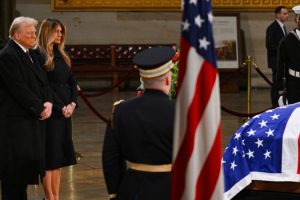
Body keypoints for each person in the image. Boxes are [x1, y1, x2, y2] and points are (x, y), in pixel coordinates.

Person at [102, 46, 175, 200]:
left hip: (133, 189)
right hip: (173, 188)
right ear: (168, 79)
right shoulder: (180, 112)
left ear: (143, 79)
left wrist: (115, 192)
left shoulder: (120, 111)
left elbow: (110, 158)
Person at [0, 16, 53, 200]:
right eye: (29, 33)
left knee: (23, 175)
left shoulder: (32, 53)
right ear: (17, 35)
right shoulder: (8, 55)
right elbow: (18, 89)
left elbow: (44, 82)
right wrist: (40, 108)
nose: (34, 36)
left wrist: (48, 101)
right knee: (14, 178)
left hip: (30, 122)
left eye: (34, 32)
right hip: (16, 126)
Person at [35, 18, 78, 200]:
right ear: (47, 32)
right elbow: (44, 88)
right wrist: (61, 107)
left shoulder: (62, 56)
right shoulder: (39, 56)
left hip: (65, 113)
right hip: (51, 113)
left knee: (59, 158)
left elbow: (72, 82)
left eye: (61, 32)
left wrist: (73, 104)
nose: (60, 35)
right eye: (57, 31)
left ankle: (56, 197)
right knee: (49, 159)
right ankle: (49, 197)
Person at [276, 5, 300, 106]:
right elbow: (281, 66)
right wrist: (281, 92)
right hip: (294, 84)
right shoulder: (287, 40)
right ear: (297, 20)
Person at [266, 5, 289, 107]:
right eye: (284, 13)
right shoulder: (272, 28)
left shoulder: (283, 26)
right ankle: (274, 104)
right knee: (275, 84)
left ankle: (280, 103)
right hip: (275, 61)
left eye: (287, 13)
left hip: (282, 61)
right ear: (277, 14)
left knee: (280, 84)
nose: (287, 15)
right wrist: (283, 50)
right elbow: (270, 45)